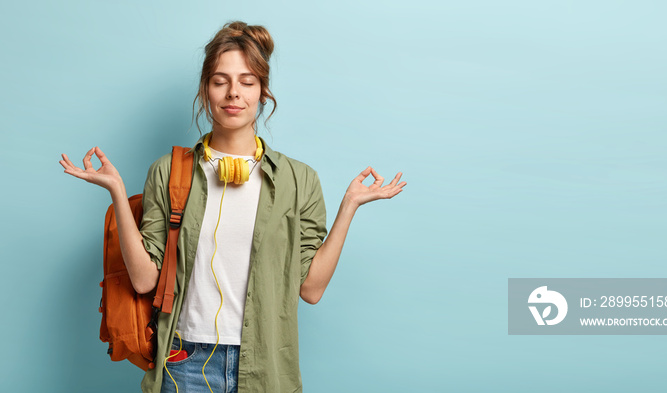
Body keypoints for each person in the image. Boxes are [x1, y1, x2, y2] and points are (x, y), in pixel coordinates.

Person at [59, 20, 406, 393]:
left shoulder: (299, 180)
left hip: (266, 364)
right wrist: (116, 190)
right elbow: (145, 280)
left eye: (247, 81)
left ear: (263, 91)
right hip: (184, 362)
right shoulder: (168, 173)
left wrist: (349, 206)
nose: (233, 94)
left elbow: (311, 289)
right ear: (205, 90)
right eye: (220, 81)